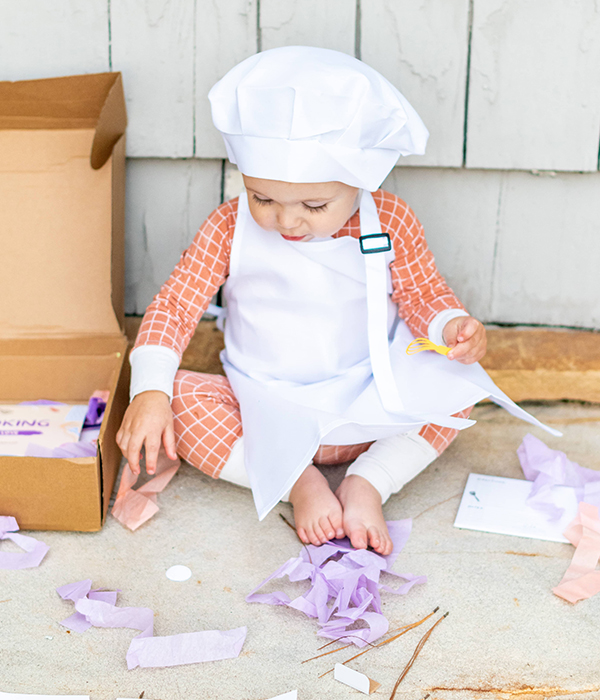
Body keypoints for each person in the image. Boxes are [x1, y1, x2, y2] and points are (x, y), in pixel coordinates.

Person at [117, 47, 557, 556]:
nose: (286, 222)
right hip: (260, 406)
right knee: (174, 397)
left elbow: (421, 294)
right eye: (263, 198)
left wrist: (450, 327)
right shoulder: (227, 226)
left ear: (360, 181)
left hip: (367, 401)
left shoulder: (388, 221)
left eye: (314, 205)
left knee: (459, 388)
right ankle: (297, 482)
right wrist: (149, 392)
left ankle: (369, 480)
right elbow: (175, 306)